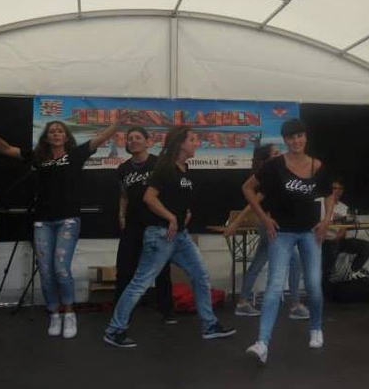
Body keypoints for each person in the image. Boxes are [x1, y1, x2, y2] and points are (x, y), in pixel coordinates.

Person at [0, 115, 128, 339]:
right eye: (52, 131)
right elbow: (7, 149)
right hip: (42, 221)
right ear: (46, 138)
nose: (56, 133)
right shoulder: (38, 157)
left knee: (61, 269)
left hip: (68, 219)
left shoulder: (75, 154)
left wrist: (117, 124)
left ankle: (69, 313)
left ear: (66, 136)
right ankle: (54, 313)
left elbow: (100, 138)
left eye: (60, 131)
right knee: (46, 271)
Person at [103, 125, 235, 348]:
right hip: (160, 234)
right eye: (192, 140)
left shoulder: (184, 167)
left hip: (180, 236)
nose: (196, 143)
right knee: (140, 282)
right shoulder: (164, 167)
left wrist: (185, 212)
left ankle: (209, 325)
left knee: (200, 275)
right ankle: (114, 330)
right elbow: (149, 197)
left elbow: (177, 196)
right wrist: (171, 217)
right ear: (181, 143)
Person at [243, 119, 334, 364]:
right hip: (281, 233)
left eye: (300, 136)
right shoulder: (274, 165)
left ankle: (316, 328)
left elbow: (329, 194)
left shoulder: (317, 165)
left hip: (309, 232)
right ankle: (262, 343)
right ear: (285, 140)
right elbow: (248, 188)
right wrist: (264, 218)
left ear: (305, 137)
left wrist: (326, 220)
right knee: (274, 286)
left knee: (313, 285)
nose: (296, 141)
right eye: (291, 137)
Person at [225, 143, 309, 320]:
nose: (281, 155)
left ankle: (242, 302)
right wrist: (236, 224)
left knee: (258, 263)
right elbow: (252, 204)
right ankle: (295, 305)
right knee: (295, 262)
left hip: (272, 226)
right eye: (276, 153)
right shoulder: (268, 177)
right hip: (271, 227)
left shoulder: (275, 174)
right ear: (267, 159)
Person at [115, 126, 175, 324]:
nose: (133, 141)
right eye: (130, 138)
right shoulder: (123, 169)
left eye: (138, 137)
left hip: (157, 223)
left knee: (161, 269)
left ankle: (167, 310)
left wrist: (172, 217)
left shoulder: (159, 164)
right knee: (125, 267)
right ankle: (121, 312)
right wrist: (121, 214)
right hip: (133, 224)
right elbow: (124, 195)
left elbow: (170, 192)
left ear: (148, 141)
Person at [319, 178, 369, 282]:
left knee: (366, 246)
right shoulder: (320, 202)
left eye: (340, 189)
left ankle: (352, 272)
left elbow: (343, 231)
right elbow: (315, 222)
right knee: (331, 248)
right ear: (329, 189)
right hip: (322, 241)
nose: (338, 191)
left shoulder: (344, 207)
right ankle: (326, 282)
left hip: (337, 241)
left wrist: (340, 234)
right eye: (335, 188)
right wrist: (337, 218)